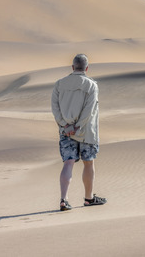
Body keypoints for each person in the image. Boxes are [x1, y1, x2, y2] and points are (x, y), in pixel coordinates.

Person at [51, 54, 107, 211]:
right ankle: (88, 198)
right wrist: (78, 126)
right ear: (87, 68)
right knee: (88, 163)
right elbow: (89, 110)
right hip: (87, 132)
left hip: (66, 131)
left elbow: (54, 108)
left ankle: (63, 200)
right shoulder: (91, 85)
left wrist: (66, 126)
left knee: (68, 162)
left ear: (72, 67)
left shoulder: (59, 84)